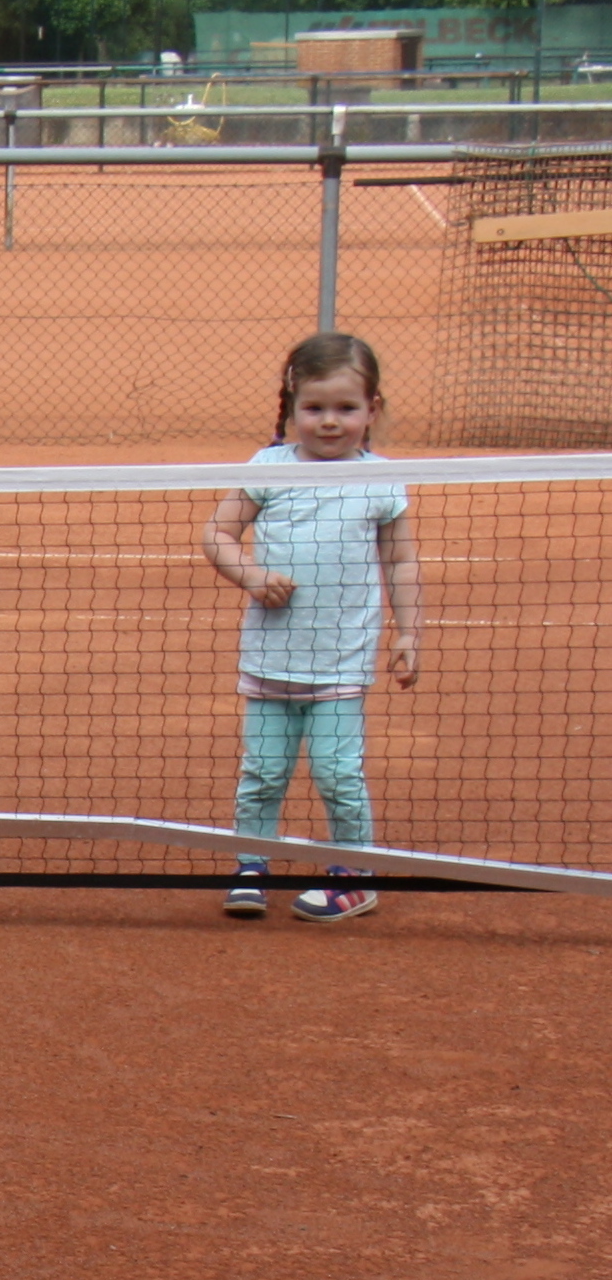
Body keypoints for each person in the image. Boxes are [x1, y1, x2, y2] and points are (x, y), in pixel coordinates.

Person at [200, 331, 421, 922]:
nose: (330, 422)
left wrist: (408, 633)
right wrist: (250, 575)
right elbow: (217, 534)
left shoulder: (381, 479)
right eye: (315, 408)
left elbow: (400, 559)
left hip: (341, 665)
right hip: (269, 661)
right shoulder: (267, 468)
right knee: (263, 772)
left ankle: (354, 874)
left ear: (371, 411)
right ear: (292, 406)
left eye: (346, 409)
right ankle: (250, 865)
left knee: (337, 773)